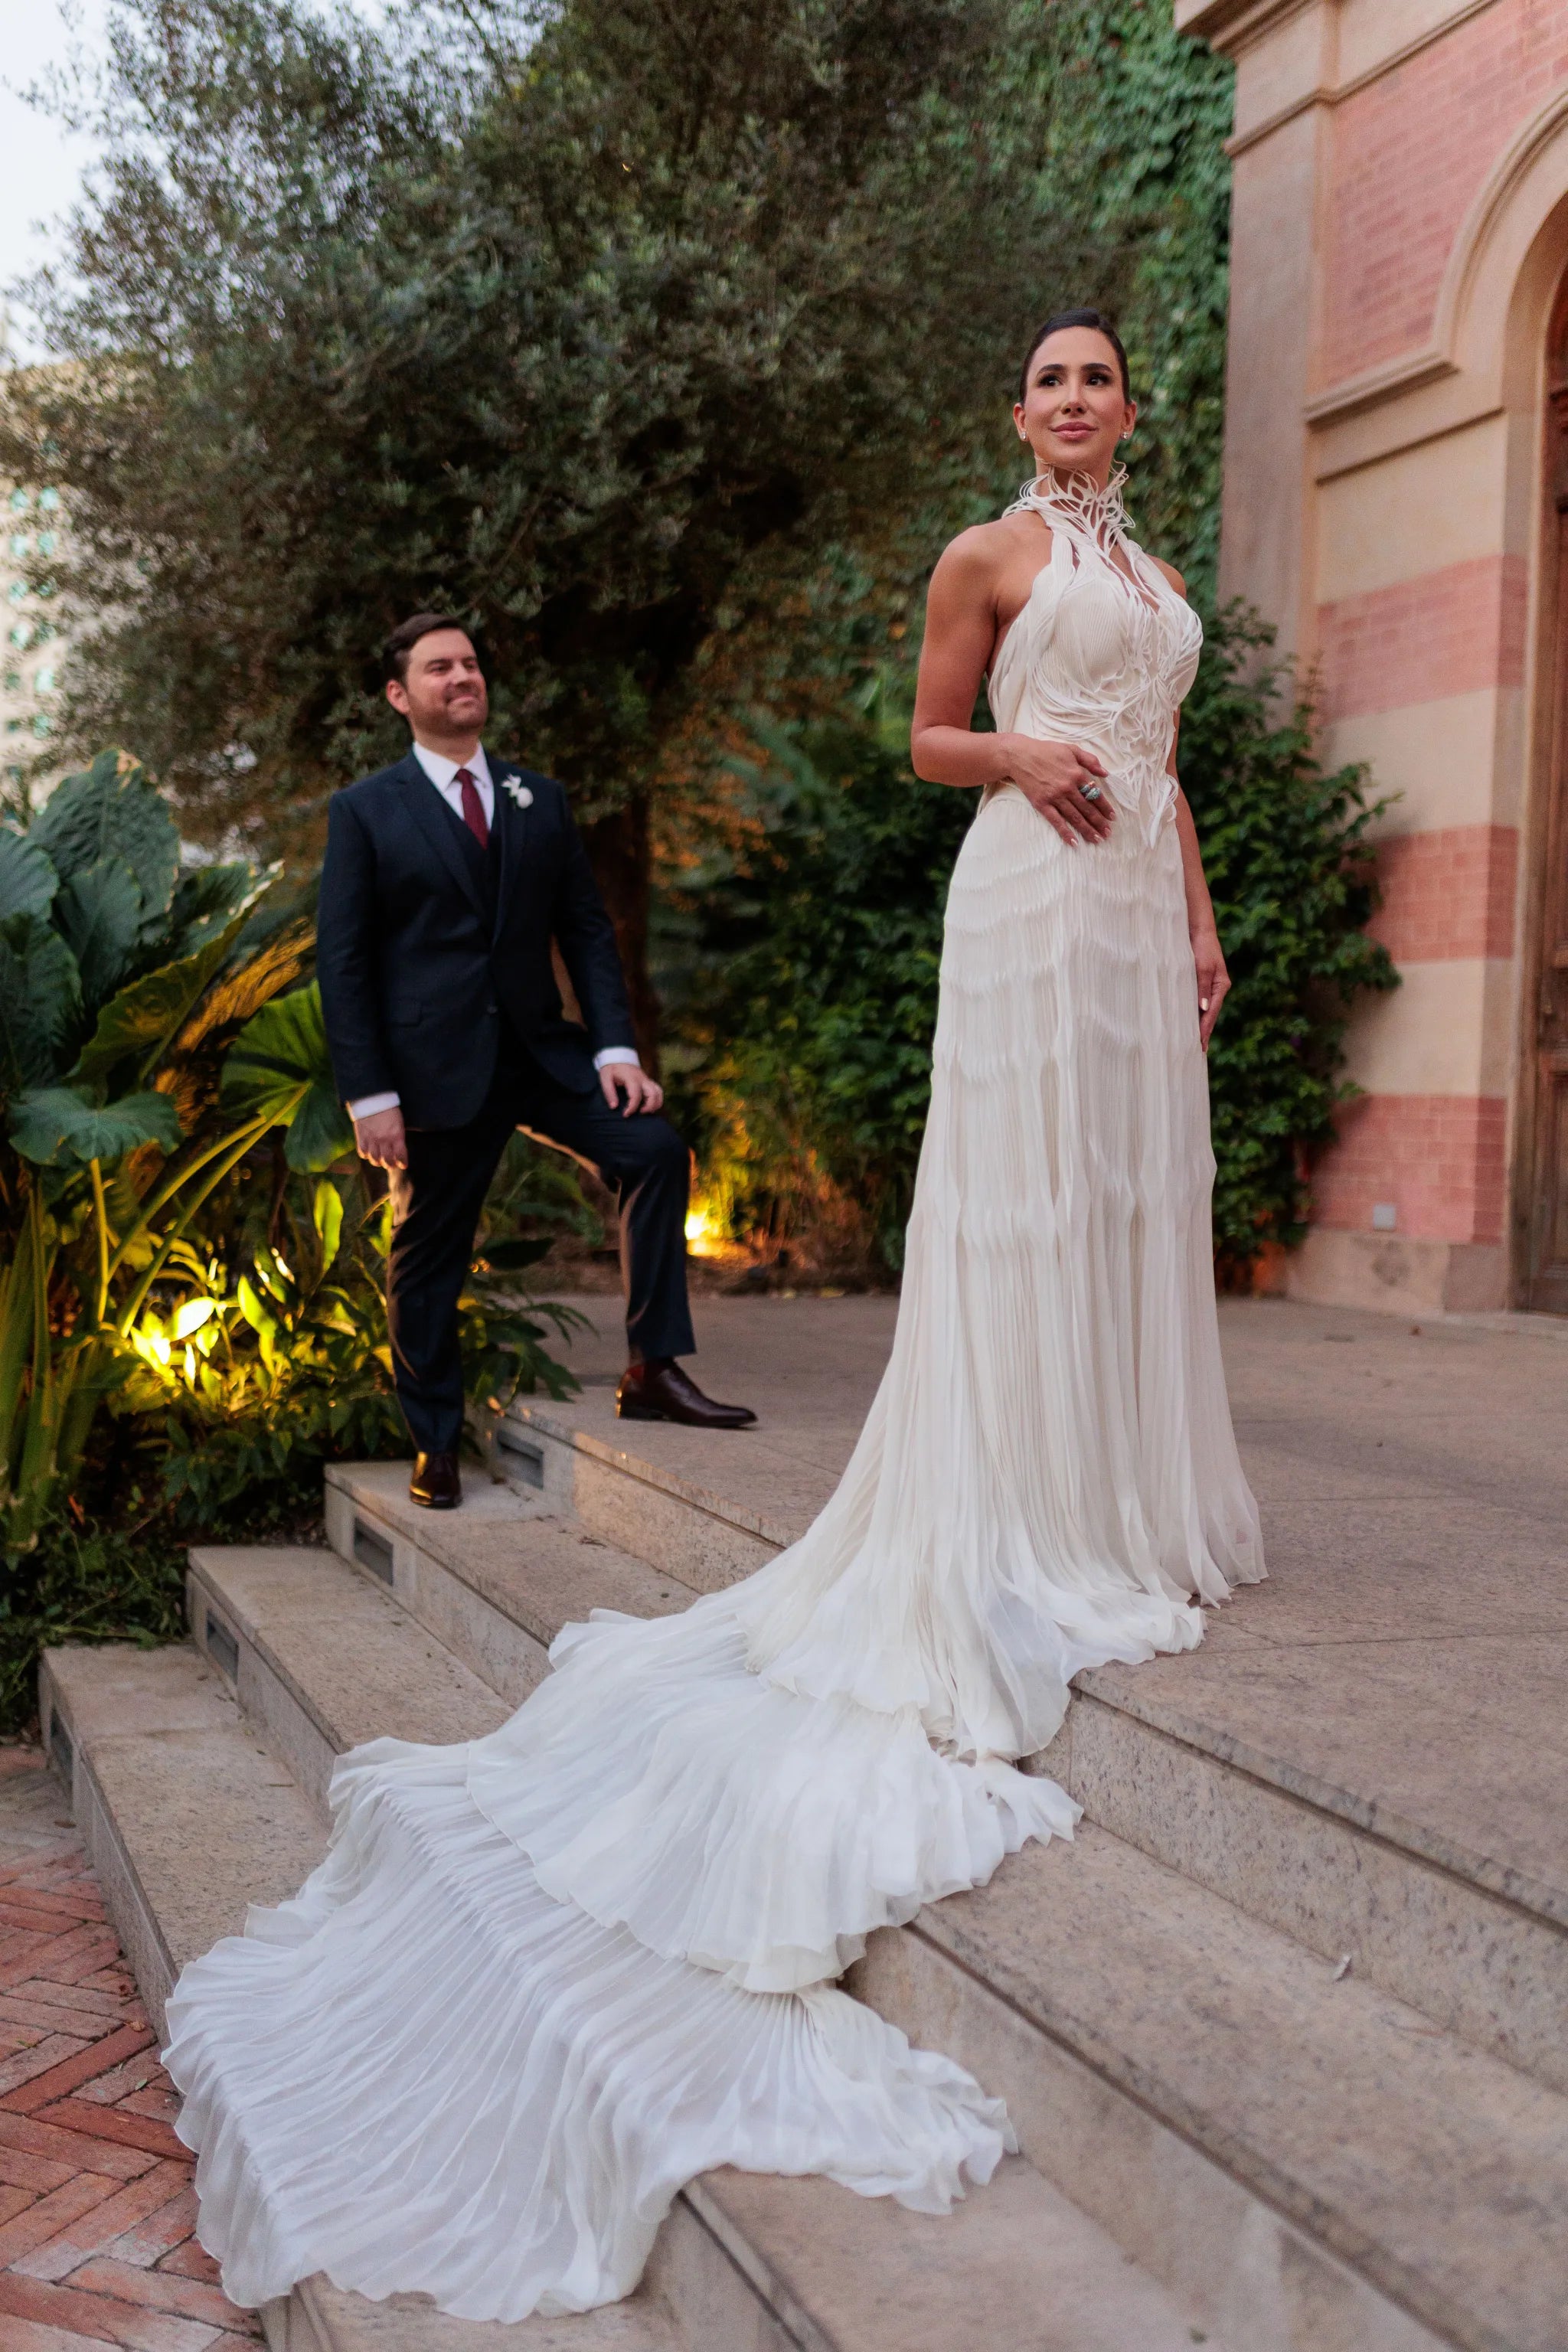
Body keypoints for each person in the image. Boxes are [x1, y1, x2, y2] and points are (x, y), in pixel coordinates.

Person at [163, 310, 1263, 2320]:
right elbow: (926, 740)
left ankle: (1112, 1486)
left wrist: (1192, 917)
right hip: (1025, 896)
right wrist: (1014, 751)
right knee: (1020, 1215)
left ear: (1130, 410)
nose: (1080, 400)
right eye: (1051, 379)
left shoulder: (1169, 583)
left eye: (1103, 377)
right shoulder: (986, 559)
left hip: (1128, 921)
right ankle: (1002, 1494)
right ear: (1017, 411)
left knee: (1127, 1210)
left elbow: (1170, 770)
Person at [316, 611, 755, 1509]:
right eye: (438, 668)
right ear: (401, 696)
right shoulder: (365, 811)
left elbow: (586, 931)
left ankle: (652, 1371)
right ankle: (433, 1442)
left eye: (470, 664)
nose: (461, 677)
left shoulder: (536, 798)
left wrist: (615, 1048)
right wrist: (370, 1094)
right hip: (433, 1074)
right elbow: (346, 961)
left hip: (542, 1057)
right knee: (427, 1257)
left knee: (655, 1153)